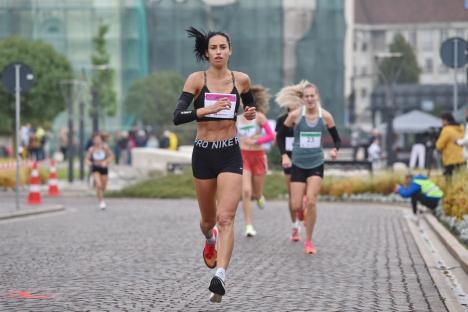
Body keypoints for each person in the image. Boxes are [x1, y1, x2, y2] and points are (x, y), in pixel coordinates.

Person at [172, 26, 256, 303]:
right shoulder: (197, 79)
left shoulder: (241, 79)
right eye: (214, 48)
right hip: (204, 152)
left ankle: (220, 275)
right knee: (209, 222)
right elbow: (177, 116)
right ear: (206, 53)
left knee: (226, 218)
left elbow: (249, 109)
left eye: (223, 47)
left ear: (230, 50)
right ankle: (210, 240)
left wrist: (251, 113)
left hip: (230, 151)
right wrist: (204, 111)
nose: (219, 52)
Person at [282, 82, 341, 254]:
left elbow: (336, 139)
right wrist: (285, 154)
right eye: (306, 96)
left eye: (312, 96)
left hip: (316, 163)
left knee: (312, 200)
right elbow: (281, 135)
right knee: (295, 205)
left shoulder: (326, 116)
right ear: (303, 99)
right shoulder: (295, 116)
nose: (309, 99)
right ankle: (300, 213)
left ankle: (308, 241)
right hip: (298, 163)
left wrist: (335, 149)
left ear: (317, 97)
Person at [237, 85, 274, 237]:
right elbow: (230, 137)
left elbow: (271, 136)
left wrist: (257, 141)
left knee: (256, 193)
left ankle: (259, 197)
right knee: (246, 191)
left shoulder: (259, 117)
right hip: (243, 156)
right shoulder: (237, 119)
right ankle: (248, 225)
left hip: (258, 157)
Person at [275, 80, 309, 241]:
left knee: (306, 194)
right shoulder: (282, 120)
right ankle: (295, 225)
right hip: (289, 160)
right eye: (291, 107)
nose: (293, 109)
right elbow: (279, 138)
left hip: (306, 160)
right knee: (292, 195)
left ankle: (304, 210)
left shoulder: (307, 118)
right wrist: (284, 155)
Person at [86, 133, 114, 210]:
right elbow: (87, 159)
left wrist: (106, 162)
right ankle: (101, 201)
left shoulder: (105, 148)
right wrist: (90, 163)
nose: (97, 141)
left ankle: (100, 195)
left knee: (103, 186)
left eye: (98, 139)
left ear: (101, 140)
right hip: (95, 168)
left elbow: (111, 156)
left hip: (104, 168)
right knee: (98, 184)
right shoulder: (91, 149)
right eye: (95, 139)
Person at [436, 112, 465, 177]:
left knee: (448, 179)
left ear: (446, 121)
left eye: (442, 121)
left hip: (451, 159)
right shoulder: (461, 128)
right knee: (461, 178)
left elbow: (439, 145)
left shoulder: (447, 130)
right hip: (463, 158)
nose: (442, 123)